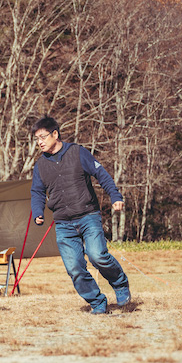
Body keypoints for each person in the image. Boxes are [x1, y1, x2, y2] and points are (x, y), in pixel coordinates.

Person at [30, 115, 131, 314]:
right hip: (63, 223)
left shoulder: (77, 152)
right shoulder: (40, 165)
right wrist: (37, 211)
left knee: (97, 256)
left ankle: (120, 283)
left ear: (55, 134)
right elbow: (37, 192)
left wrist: (115, 196)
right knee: (75, 268)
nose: (40, 142)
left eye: (43, 137)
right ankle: (97, 302)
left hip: (88, 216)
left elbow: (101, 174)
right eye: (36, 139)